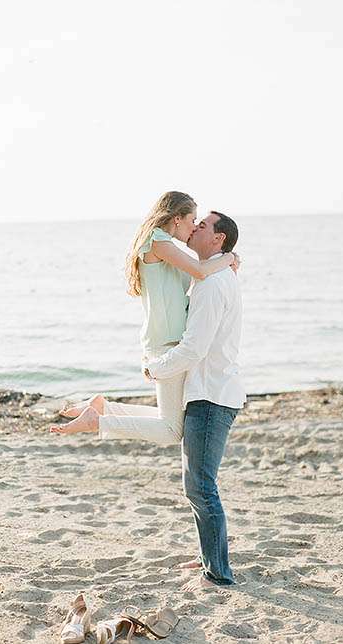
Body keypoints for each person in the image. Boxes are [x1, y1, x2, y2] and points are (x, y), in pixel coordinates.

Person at [51, 191, 238, 444]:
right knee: (172, 430)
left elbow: (194, 280)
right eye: (193, 220)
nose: (194, 228)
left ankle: (102, 408)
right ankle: (97, 420)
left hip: (167, 338)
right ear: (176, 219)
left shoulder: (165, 244)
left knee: (170, 421)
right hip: (166, 340)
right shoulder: (158, 241)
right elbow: (201, 271)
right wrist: (229, 257)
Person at [143, 211, 245, 591]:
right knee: (199, 484)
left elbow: (193, 348)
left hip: (212, 395)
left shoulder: (212, 284)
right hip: (210, 392)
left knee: (200, 486)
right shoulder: (212, 276)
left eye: (203, 225)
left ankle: (218, 573)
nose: (196, 227)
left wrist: (156, 370)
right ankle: (209, 558)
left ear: (218, 240)